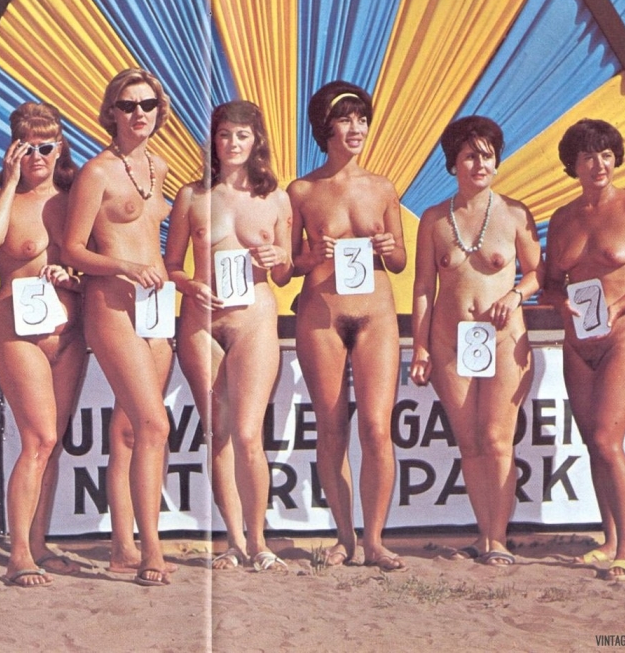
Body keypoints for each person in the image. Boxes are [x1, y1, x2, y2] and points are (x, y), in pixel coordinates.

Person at [541, 119, 625, 582]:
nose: (599, 164)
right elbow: (550, 284)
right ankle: (611, 539)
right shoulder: (562, 218)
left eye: (606, 155)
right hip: (578, 342)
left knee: (606, 440)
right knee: (592, 441)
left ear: (616, 159)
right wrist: (561, 303)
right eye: (588, 157)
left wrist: (620, 305)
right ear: (573, 165)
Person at [164, 100, 292, 571]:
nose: (232, 143)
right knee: (217, 433)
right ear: (213, 140)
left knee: (248, 433)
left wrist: (278, 259)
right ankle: (235, 541)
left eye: (241, 135)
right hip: (201, 321)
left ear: (256, 140)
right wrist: (189, 285)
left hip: (253, 318)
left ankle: (260, 541)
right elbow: (171, 264)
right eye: (224, 135)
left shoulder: (276, 199)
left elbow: (287, 271)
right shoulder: (192, 196)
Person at [410, 116, 542, 566]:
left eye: (487, 156)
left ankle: (499, 539)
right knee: (469, 442)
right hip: (450, 342)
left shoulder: (515, 214)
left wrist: (515, 294)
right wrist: (420, 346)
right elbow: (423, 288)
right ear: (453, 164)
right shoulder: (434, 219)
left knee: (497, 438)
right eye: (470, 156)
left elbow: (538, 272)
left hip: (504, 340)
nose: (480, 164)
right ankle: (484, 536)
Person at [287, 81, 407, 570]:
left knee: (377, 427)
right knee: (332, 427)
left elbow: (399, 260)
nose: (356, 128)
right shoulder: (301, 191)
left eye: (362, 119)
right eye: (345, 119)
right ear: (326, 127)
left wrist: (388, 248)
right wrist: (311, 254)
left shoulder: (383, 187)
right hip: (322, 316)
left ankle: (375, 539)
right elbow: (288, 266)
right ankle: (344, 536)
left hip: (376, 315)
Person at [63, 68, 174, 586]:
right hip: (111, 305)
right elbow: (73, 249)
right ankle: (152, 549)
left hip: (155, 306)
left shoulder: (158, 166)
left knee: (130, 430)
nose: (138, 113)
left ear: (159, 111)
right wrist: (123, 266)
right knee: (155, 424)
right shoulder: (96, 172)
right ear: (112, 112)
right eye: (128, 105)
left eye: (147, 104)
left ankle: (122, 547)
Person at [0, 102, 87, 587]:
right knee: (37, 439)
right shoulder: (2, 199)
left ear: (60, 148)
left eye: (46, 147)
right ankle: (18, 553)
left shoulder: (75, 199)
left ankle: (38, 544)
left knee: (52, 445)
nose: (37, 157)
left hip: (68, 331)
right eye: (28, 148)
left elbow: (93, 260)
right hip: (16, 328)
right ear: (13, 150)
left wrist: (73, 277)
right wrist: (8, 182)